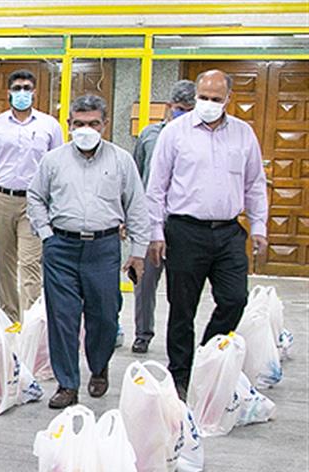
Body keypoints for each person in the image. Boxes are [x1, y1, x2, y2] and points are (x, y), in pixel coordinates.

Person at [146, 70, 268, 400]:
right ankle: (180, 375)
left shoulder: (243, 135)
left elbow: (255, 184)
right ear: (196, 95)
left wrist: (258, 227)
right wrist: (155, 232)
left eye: (216, 99)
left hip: (228, 231)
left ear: (229, 99)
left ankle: (207, 358)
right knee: (182, 308)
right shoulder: (175, 133)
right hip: (185, 231)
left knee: (234, 299)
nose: (209, 104)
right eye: (204, 97)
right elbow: (156, 186)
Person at [27, 94, 148, 409]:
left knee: (105, 316)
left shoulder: (121, 160)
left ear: (105, 125)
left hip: (104, 247)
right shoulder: (53, 161)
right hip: (61, 248)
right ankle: (67, 383)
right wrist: (47, 235)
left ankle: (99, 365)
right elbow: (35, 197)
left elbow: (136, 205)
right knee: (62, 317)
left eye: (93, 123)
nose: (86, 129)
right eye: (79, 124)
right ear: (68, 125)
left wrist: (138, 251)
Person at [0, 69, 63, 323]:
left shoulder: (49, 125)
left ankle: (32, 322)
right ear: (8, 92)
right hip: (1, 197)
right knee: (4, 263)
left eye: (27, 88)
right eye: (17, 88)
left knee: (30, 263)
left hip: (35, 201)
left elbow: (58, 166)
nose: (22, 93)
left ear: (35, 92)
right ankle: (10, 319)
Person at [130, 79, 196, 354]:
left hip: (183, 223)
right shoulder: (149, 136)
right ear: (169, 107)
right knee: (144, 282)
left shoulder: (198, 140)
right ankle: (143, 333)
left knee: (181, 288)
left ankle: (178, 338)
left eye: (189, 108)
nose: (183, 113)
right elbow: (135, 178)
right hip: (148, 221)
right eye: (179, 108)